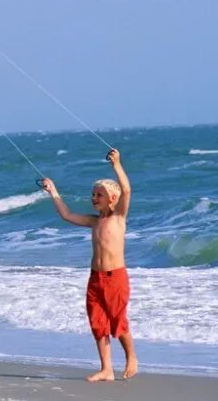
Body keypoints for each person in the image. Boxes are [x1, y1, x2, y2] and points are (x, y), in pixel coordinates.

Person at [41, 148, 138, 381]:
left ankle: (131, 357)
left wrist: (116, 164)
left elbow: (126, 189)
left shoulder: (118, 218)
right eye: (93, 194)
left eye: (99, 195)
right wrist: (52, 190)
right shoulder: (93, 222)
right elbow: (66, 215)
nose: (93, 198)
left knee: (117, 320)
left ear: (112, 199)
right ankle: (107, 369)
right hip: (95, 279)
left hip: (116, 277)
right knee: (98, 322)